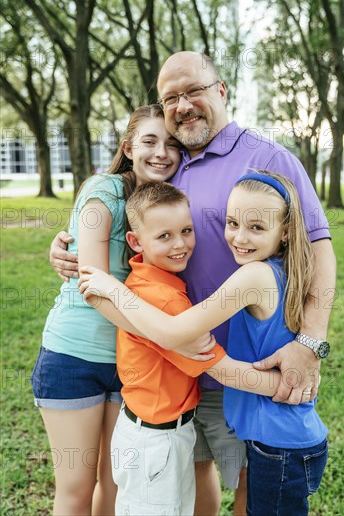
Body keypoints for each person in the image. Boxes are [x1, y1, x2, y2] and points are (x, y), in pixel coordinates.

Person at [50, 51, 336, 515]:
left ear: (221, 91)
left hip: (242, 362)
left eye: (193, 91)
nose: (182, 105)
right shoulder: (169, 163)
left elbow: (319, 246)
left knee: (250, 478)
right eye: (170, 98)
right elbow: (120, 222)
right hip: (175, 369)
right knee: (191, 470)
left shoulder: (266, 156)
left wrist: (311, 341)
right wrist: (69, 247)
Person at [78, 171, 328, 515]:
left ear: (284, 232)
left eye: (256, 227)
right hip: (289, 436)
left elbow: (174, 331)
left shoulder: (253, 275)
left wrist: (112, 287)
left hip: (279, 440)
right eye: (232, 222)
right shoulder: (285, 269)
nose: (239, 237)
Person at [30, 105, 203, 516]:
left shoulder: (163, 202)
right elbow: (92, 285)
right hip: (74, 358)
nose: (162, 152)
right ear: (128, 148)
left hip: (128, 364)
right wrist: (168, 334)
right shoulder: (103, 190)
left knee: (113, 485)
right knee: (76, 488)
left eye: (172, 144)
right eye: (149, 141)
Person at [108, 180, 284, 515]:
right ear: (135, 241)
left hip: (166, 432)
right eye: (164, 236)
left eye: (186, 231)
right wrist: (286, 386)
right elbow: (222, 369)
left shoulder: (151, 279)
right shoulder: (163, 299)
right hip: (155, 442)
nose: (180, 244)